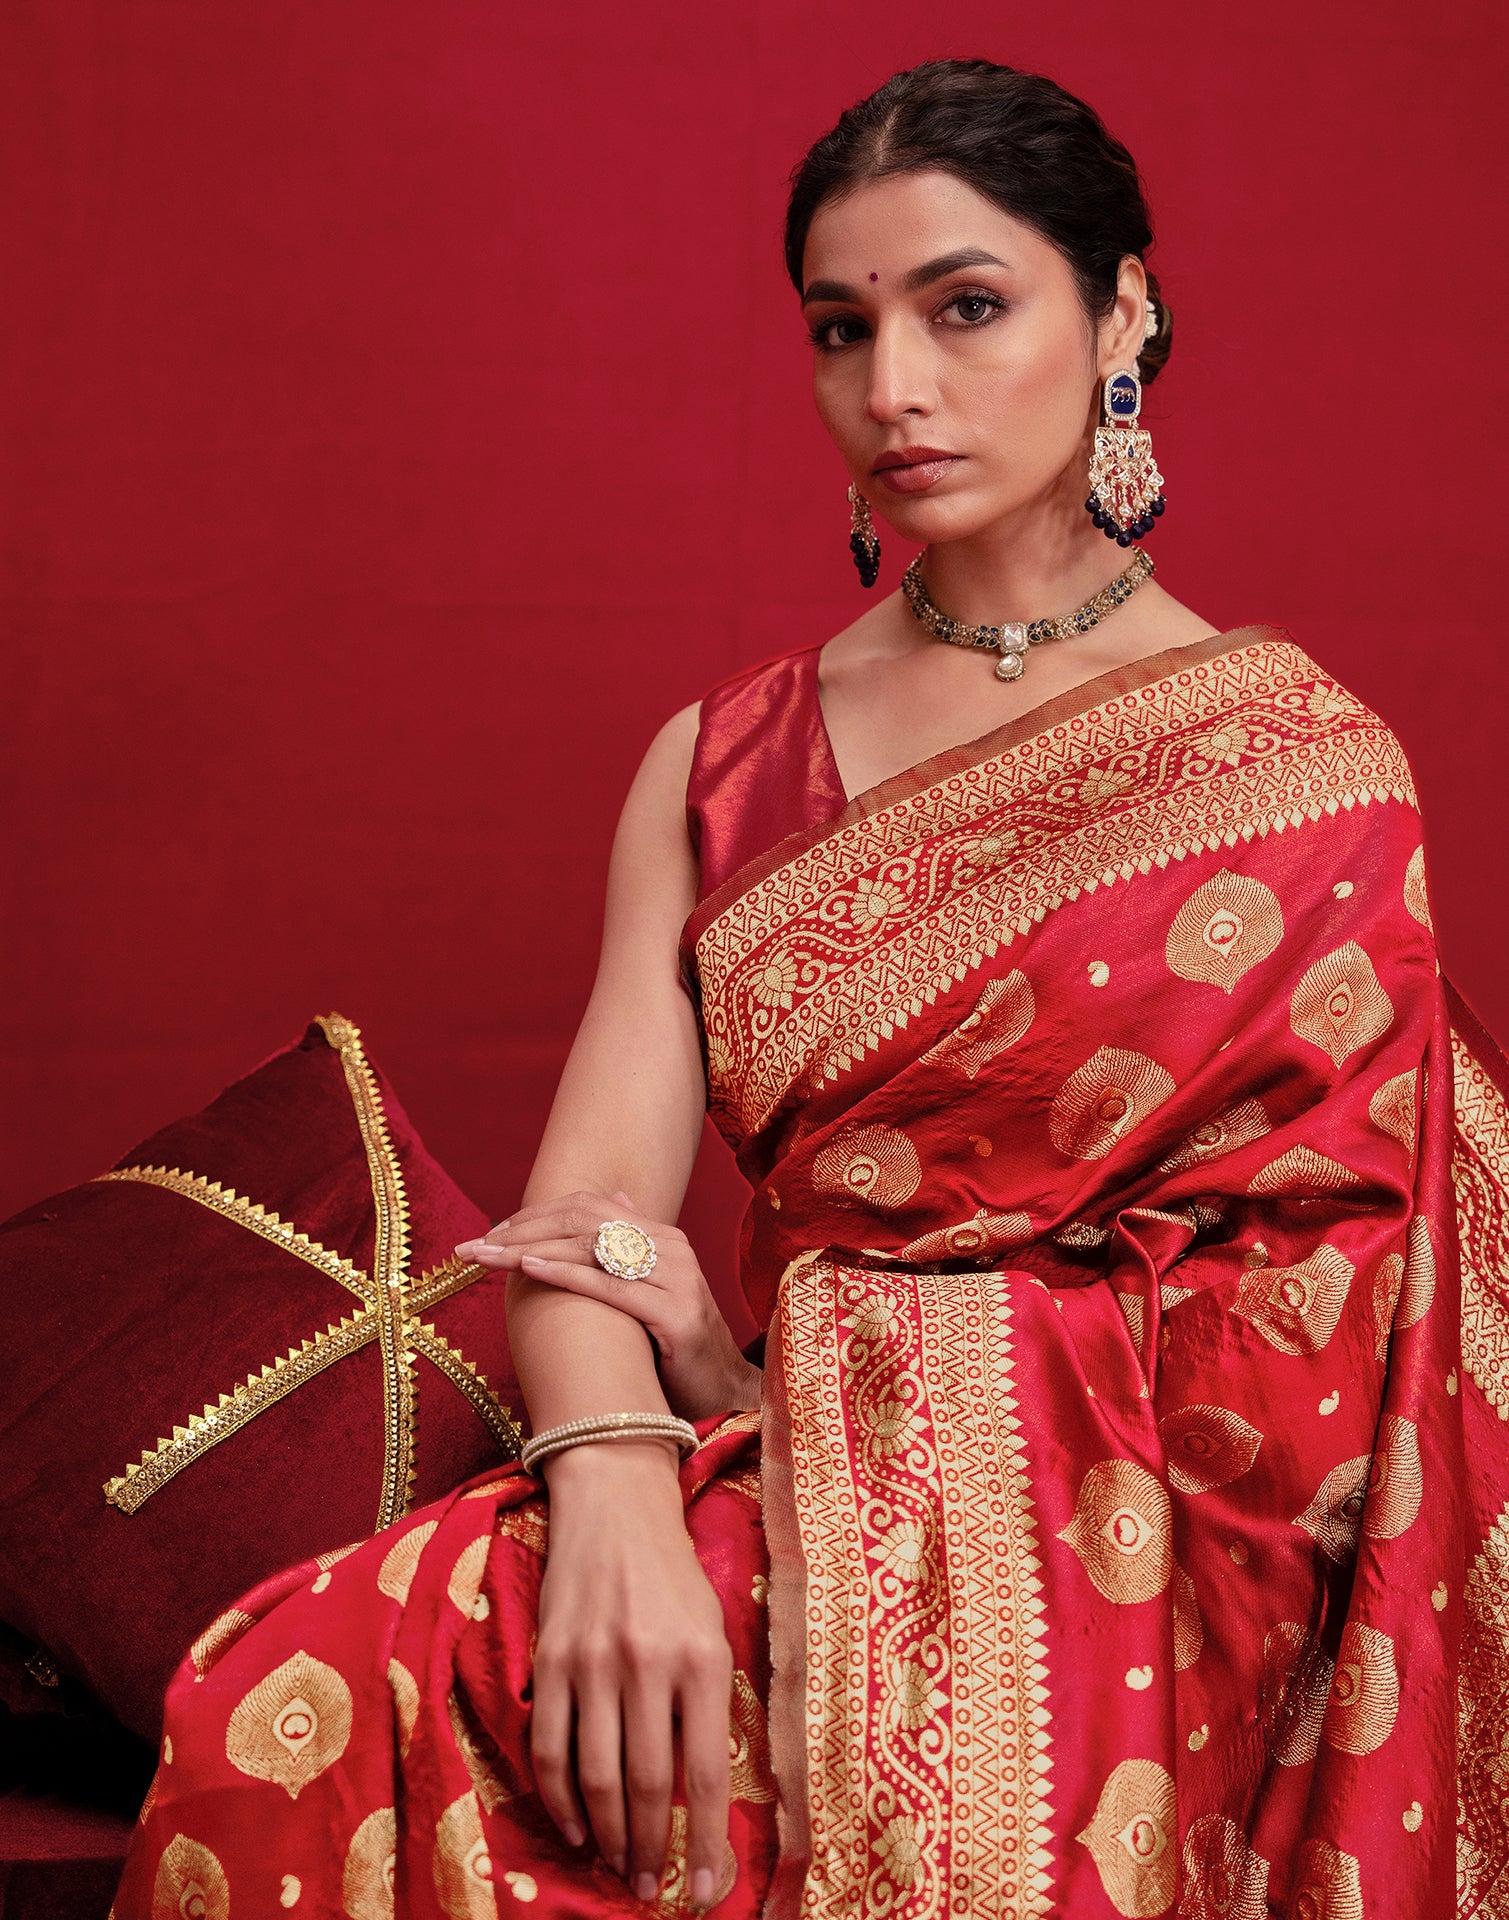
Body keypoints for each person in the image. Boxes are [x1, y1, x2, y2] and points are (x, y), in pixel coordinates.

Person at [110, 57, 1509, 1920]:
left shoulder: (1300, 769)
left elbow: (1316, 1362)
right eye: (840, 330)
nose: (892, 391)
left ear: (1123, 311)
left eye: (965, 308)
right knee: (299, 1686)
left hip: (1150, 1589)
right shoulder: (721, 765)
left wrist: (781, 1376)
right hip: (769, 1478)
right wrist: (613, 1488)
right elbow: (583, 1224)